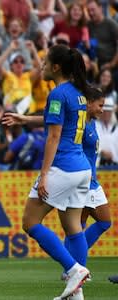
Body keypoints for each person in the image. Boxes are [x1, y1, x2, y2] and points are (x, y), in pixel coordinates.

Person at [2, 45, 92, 299]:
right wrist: (26, 119)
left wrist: (44, 175)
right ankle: (77, 293)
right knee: (73, 227)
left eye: (44, 63)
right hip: (82, 169)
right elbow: (60, 120)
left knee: (30, 222)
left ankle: (74, 270)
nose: (39, 67)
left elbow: (53, 137)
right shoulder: (78, 92)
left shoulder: (57, 93)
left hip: (62, 167)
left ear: (56, 67)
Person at [62, 88, 111, 289]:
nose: (102, 109)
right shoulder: (80, 125)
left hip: (92, 180)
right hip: (84, 181)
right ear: (89, 103)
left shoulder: (91, 123)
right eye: (99, 105)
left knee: (81, 224)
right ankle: (75, 268)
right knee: (97, 222)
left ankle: (71, 268)